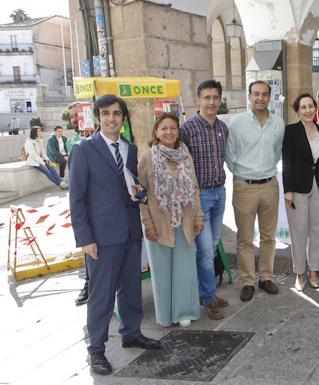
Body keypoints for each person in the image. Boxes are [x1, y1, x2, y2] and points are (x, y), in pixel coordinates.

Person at [69, 94, 161, 376]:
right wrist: (85, 239)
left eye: (117, 113)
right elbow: (77, 198)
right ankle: (96, 348)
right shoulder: (84, 149)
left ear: (123, 118)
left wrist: (141, 194)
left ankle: (131, 332)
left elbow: (129, 186)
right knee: (102, 295)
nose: (112, 118)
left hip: (130, 232)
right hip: (102, 236)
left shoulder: (130, 149)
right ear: (98, 117)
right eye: (106, 113)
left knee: (131, 287)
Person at [139, 113, 204, 327]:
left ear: (178, 132)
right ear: (156, 132)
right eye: (164, 128)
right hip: (159, 223)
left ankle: (184, 311)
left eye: (173, 128)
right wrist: (147, 223)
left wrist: (198, 217)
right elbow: (141, 194)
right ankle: (165, 315)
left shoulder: (185, 155)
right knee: (161, 271)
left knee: (185, 269)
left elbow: (194, 188)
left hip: (184, 221)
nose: (169, 132)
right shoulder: (148, 157)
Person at [226, 80, 285, 302]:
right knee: (245, 238)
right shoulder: (236, 123)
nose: (260, 98)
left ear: (270, 97)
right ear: (249, 96)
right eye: (256, 94)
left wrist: (264, 171)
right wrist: (244, 174)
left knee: (269, 236)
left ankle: (266, 278)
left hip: (270, 185)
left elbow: (277, 151)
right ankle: (248, 281)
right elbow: (230, 155)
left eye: (264, 94)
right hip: (244, 187)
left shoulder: (278, 123)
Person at [181, 80, 229, 319]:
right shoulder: (187, 129)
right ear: (198, 99)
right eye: (207, 97)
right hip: (199, 197)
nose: (211, 102)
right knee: (205, 251)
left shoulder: (222, 128)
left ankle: (206, 291)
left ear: (220, 100)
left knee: (212, 245)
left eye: (215, 97)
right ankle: (209, 298)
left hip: (220, 192)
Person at [282, 93, 319, 291]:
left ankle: (314, 270)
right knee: (299, 231)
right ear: (297, 111)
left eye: (311, 106)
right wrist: (288, 190)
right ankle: (300, 272)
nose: (308, 110)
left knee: (316, 230)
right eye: (303, 107)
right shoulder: (291, 131)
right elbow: (287, 161)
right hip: (298, 188)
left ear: (316, 108)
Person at [65, 103, 90, 306]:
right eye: (72, 116)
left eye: (77, 115)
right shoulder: (75, 142)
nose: (74, 119)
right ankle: (88, 284)